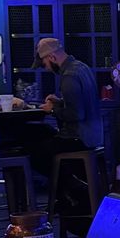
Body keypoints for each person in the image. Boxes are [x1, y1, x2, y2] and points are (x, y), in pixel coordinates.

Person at [25, 37, 103, 217]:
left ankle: (71, 189)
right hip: (94, 134)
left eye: (44, 63)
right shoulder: (82, 67)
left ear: (52, 57)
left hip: (79, 137)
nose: (46, 68)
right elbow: (82, 104)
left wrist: (52, 110)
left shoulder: (68, 76)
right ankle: (68, 192)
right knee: (45, 137)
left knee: (34, 153)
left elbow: (76, 115)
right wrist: (59, 102)